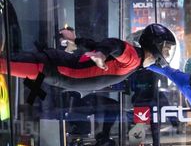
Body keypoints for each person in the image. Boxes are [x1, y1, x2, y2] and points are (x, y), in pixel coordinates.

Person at [0, 23, 177, 95]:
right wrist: (102, 53)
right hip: (51, 67)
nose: (167, 54)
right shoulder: (133, 57)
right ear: (155, 44)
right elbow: (114, 44)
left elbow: (98, 45)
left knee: (4, 63)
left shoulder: (136, 63)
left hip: (55, 70)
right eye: (166, 48)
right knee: (3, 64)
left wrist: (76, 40)